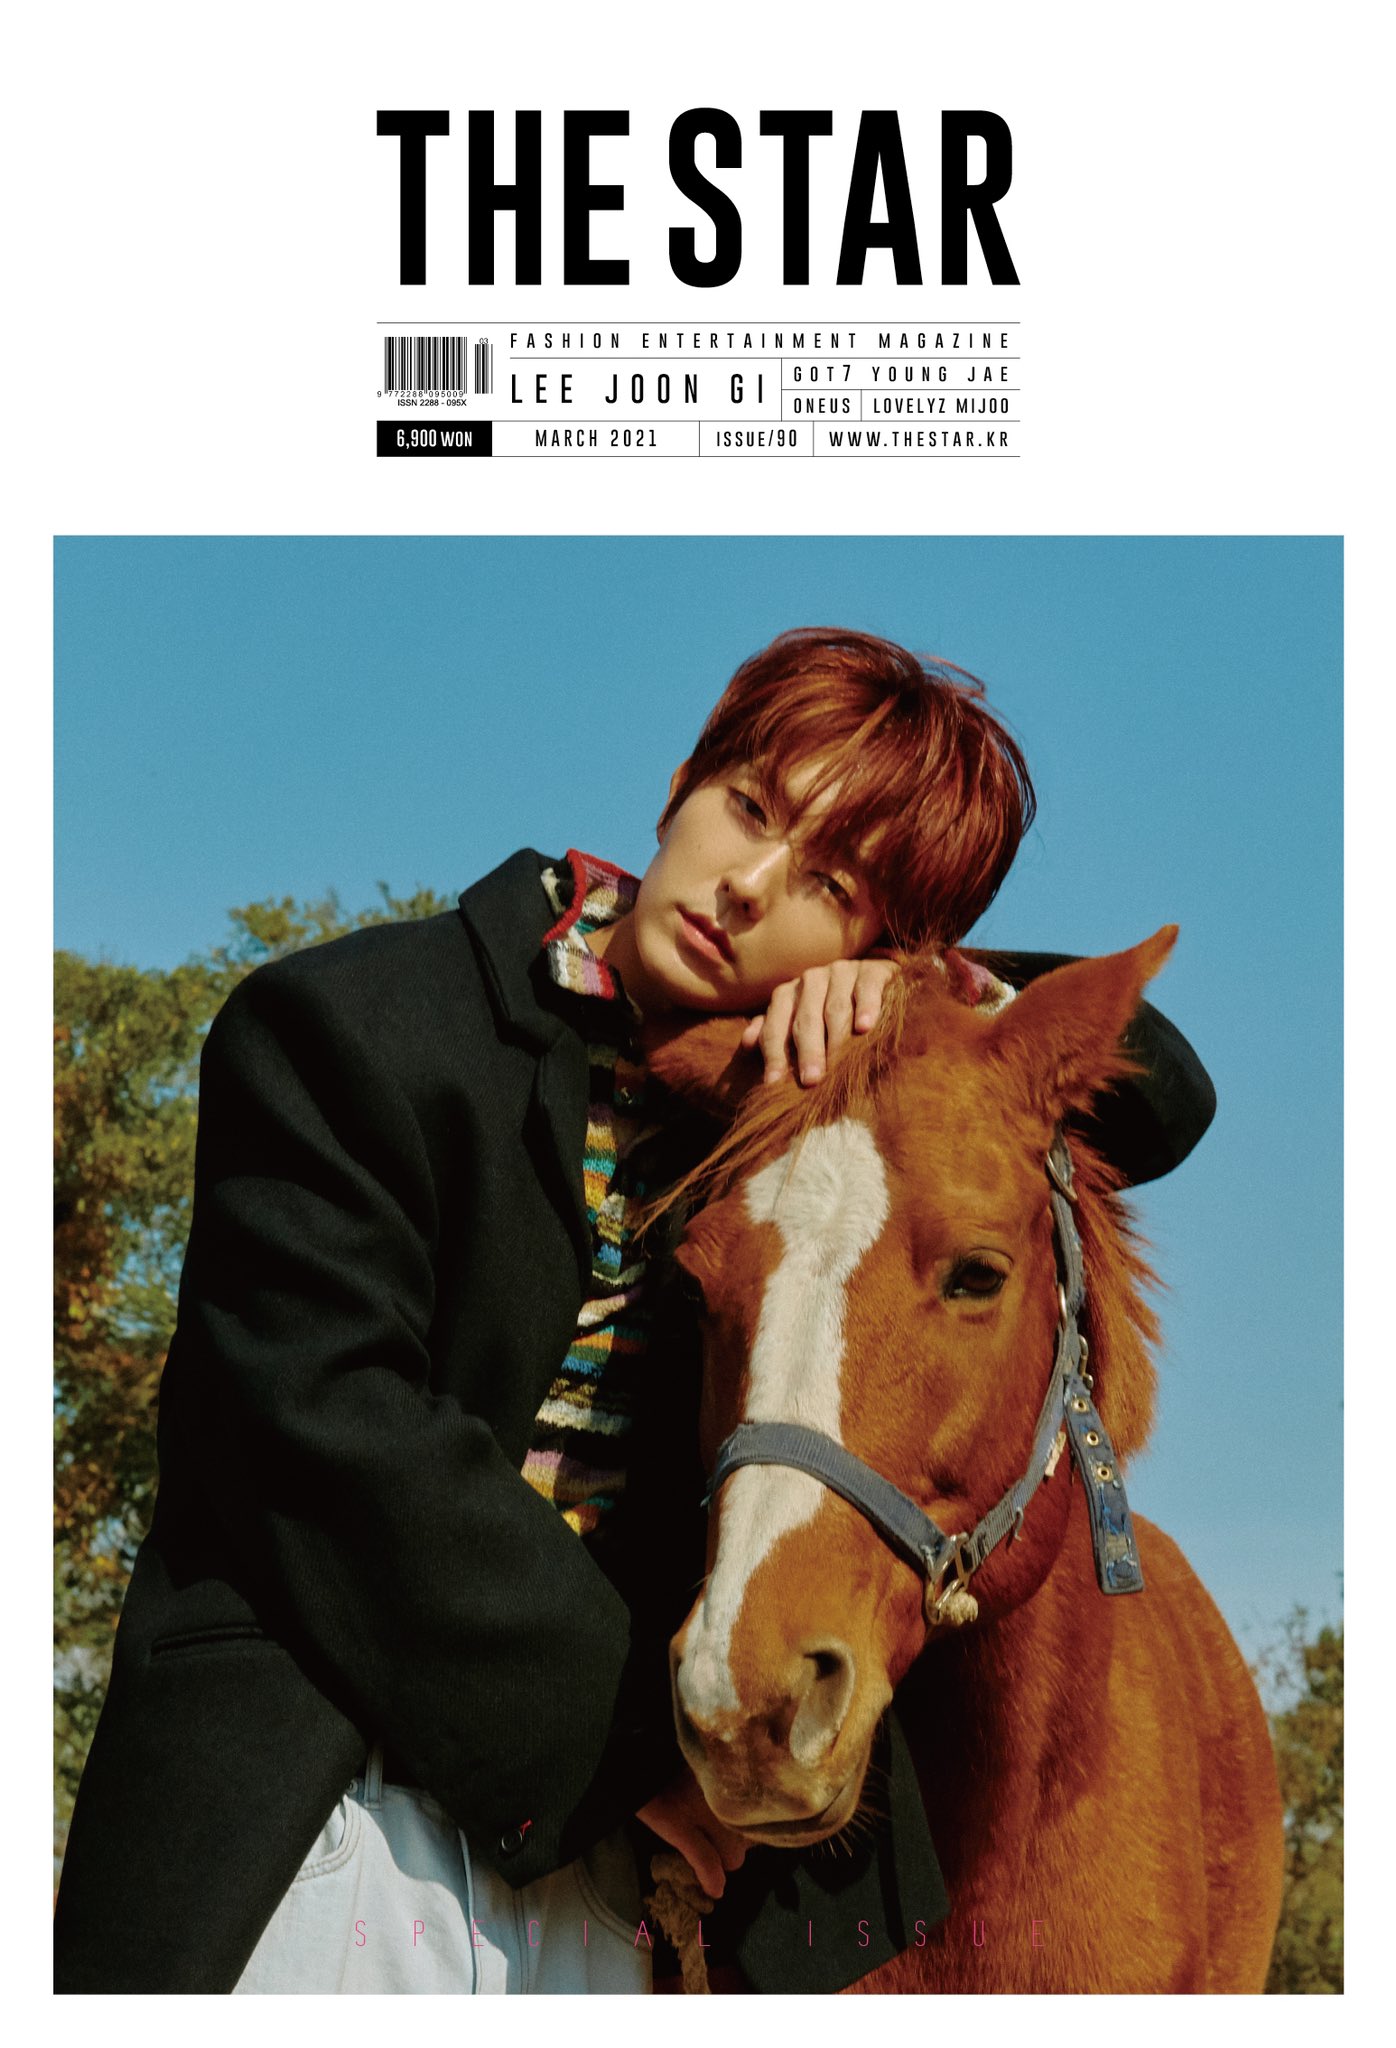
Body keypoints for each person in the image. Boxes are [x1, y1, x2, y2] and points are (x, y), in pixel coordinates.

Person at [53, 629, 1215, 1994]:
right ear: (680, 786)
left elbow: (1165, 1095)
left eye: (829, 886)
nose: (748, 887)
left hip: (628, 1879)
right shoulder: (345, 1024)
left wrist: (932, 990)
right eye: (750, 809)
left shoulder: (800, 1112)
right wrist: (648, 1752)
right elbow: (327, 1435)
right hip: (320, 1805)